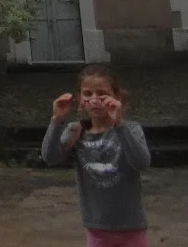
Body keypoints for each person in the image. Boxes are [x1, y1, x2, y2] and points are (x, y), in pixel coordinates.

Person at [42, 64, 151, 247]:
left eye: (102, 93)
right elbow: (50, 157)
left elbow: (142, 162)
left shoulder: (130, 129)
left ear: (116, 96)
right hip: (96, 228)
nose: (95, 99)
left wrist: (119, 124)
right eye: (87, 93)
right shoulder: (76, 131)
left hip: (131, 227)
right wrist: (57, 120)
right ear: (80, 99)